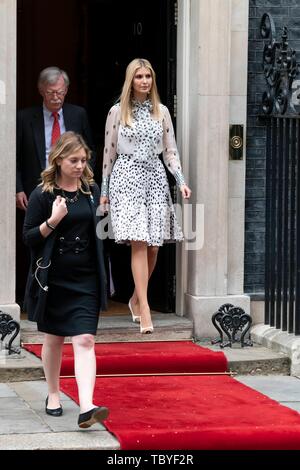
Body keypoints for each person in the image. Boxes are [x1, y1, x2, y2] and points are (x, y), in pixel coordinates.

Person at [23, 131, 108, 428]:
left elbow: (101, 233)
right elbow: (29, 238)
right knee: (55, 338)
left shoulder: (92, 191)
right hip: (53, 279)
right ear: (59, 160)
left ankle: (86, 406)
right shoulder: (42, 195)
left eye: (84, 160)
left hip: (86, 279)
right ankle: (53, 393)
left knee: (85, 339)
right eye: (74, 160)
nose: (80, 165)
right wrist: (53, 221)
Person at [100, 58, 191, 334]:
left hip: (155, 177)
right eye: (139, 76)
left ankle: (136, 298)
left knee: (154, 246)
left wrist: (181, 181)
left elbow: (170, 151)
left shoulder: (161, 111)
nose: (144, 81)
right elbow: (109, 153)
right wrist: (104, 193)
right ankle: (146, 308)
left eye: (148, 76)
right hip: (126, 177)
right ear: (131, 80)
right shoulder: (117, 111)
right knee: (139, 241)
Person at [16, 66, 95, 305]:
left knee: (70, 239)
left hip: (71, 187)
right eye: (51, 92)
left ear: (67, 90)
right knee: (35, 239)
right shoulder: (24, 117)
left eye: (60, 92)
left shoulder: (77, 114)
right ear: (41, 91)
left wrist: (88, 184)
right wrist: (18, 188)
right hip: (36, 191)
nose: (56, 97)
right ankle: (32, 295)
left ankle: (68, 295)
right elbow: (15, 156)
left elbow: (89, 151)